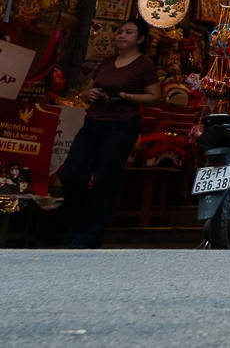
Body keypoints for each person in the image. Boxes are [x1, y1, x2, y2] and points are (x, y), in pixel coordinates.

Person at [61, 19, 160, 248]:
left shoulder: (144, 65)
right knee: (71, 175)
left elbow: (154, 97)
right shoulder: (106, 63)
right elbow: (86, 91)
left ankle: (88, 238)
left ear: (141, 39)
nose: (122, 35)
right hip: (93, 123)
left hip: (121, 126)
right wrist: (90, 95)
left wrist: (126, 96)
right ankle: (79, 227)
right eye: (120, 31)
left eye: (128, 32)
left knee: (104, 181)